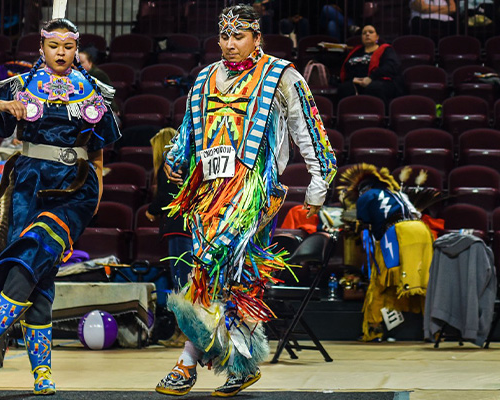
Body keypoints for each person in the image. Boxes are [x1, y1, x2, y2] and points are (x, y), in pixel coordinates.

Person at [155, 4, 337, 397]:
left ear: (257, 37)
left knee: (210, 262)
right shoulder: (205, 78)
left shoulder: (281, 76)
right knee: (238, 278)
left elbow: (310, 132)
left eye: (239, 36)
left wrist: (318, 189)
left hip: (253, 190)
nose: (230, 44)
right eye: (225, 36)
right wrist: (175, 157)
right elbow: (189, 129)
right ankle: (242, 363)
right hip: (207, 191)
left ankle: (186, 363)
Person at [0, 17, 120, 395]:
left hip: (74, 187)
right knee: (37, 271)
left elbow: (100, 147)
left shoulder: (90, 88)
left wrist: (96, 191)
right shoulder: (22, 84)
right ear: (42, 48)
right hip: (29, 183)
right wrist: (5, 104)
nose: (61, 53)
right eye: (54, 46)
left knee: (37, 248)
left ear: (76, 47)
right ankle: (42, 373)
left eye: (68, 47)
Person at [337, 164, 433, 342]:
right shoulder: (398, 194)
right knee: (425, 282)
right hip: (422, 231)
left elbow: (364, 225)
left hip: (397, 234)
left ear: (363, 189)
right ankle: (433, 330)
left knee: (380, 283)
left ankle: (374, 330)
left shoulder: (366, 196)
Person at [146, 127, 193, 348]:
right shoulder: (182, 162)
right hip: (184, 227)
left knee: (182, 284)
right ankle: (182, 331)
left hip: (179, 227)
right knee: (182, 283)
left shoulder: (169, 162)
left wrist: (152, 210)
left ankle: (187, 333)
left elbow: (165, 197)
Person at [337, 25, 403, 105]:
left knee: (374, 88)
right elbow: (346, 68)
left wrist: (371, 78)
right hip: (356, 82)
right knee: (344, 88)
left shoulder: (386, 50)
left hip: (378, 80)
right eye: (364, 33)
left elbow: (391, 66)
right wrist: (352, 79)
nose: (367, 34)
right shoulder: (354, 52)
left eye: (371, 32)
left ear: (377, 37)